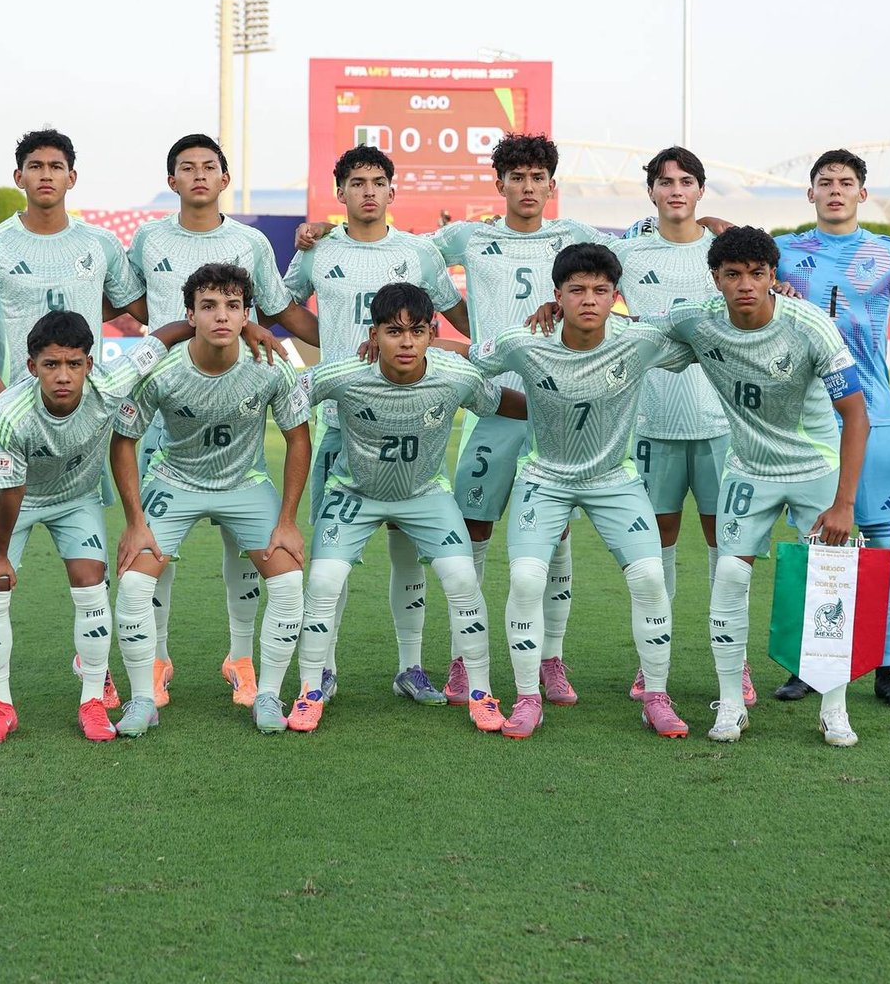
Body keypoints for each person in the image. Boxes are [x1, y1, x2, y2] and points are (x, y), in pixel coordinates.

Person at [647, 226, 869, 747]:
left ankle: (834, 708)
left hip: (814, 469)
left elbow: (855, 416)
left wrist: (844, 503)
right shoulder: (696, 319)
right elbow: (626, 328)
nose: (745, 284)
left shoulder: (810, 325)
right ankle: (729, 703)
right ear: (716, 279)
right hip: (748, 468)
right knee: (728, 574)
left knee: (831, 582)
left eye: (756, 273)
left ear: (774, 276)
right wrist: (554, 305)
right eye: (733, 274)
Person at [465, 243, 694, 739]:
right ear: (557, 295)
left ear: (616, 296)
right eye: (577, 290)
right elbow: (465, 358)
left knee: (652, 579)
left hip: (613, 480)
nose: (589, 299)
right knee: (526, 581)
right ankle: (528, 698)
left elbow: (704, 334)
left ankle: (656, 695)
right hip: (544, 478)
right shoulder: (525, 341)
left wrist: (778, 296)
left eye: (600, 290)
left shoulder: (639, 340)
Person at [125, 133, 320, 712]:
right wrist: (172, 335)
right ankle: (155, 660)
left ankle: (241, 660)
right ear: (173, 181)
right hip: (167, 400)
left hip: (234, 401)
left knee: (245, 544)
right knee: (156, 555)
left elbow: (279, 310)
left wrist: (346, 341)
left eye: (210, 166)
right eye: (188, 168)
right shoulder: (148, 237)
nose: (200, 176)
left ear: (225, 178)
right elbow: (132, 301)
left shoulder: (250, 241)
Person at [0, 126, 143, 714]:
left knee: (87, 567)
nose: (44, 174)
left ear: (71, 177)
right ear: (19, 177)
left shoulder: (100, 244)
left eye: (55, 165)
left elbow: (131, 304)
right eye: (33, 165)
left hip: (78, 418)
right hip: (16, 421)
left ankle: (93, 667)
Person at [286, 282, 524, 734]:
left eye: (417, 331)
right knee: (323, 580)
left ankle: (480, 693)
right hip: (354, 492)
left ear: (433, 333)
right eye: (394, 332)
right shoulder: (342, 374)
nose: (407, 342)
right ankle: (310, 690)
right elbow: (286, 393)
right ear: (373, 335)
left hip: (424, 494)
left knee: (462, 579)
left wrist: (554, 409)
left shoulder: (458, 376)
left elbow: (502, 403)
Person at [286, 145, 471, 705]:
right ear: (340, 191)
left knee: (408, 549)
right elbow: (280, 304)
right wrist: (335, 343)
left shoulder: (417, 251)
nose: (368, 191)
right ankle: (326, 669)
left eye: (378, 182)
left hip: (412, 419)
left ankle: (410, 667)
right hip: (340, 421)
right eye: (356, 182)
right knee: (330, 556)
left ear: (393, 191)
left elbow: (454, 313)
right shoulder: (319, 251)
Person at [773, 150, 890, 709]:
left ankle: (886, 666)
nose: (836, 191)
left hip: (872, 413)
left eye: (846, 183)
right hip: (805, 418)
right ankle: (807, 664)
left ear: (862, 194)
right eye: (825, 182)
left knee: (880, 542)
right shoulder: (783, 253)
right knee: (815, 539)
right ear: (811, 193)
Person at [0, 309, 189, 743]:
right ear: (32, 368)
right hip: (13, 498)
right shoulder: (9, 413)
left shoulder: (109, 386)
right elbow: (11, 490)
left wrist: (237, 325)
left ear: (91, 363)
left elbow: (161, 338)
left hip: (75, 499)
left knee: (91, 580)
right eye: (51, 365)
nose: (63, 375)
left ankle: (91, 700)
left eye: (74, 363)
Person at [109, 263, 310, 736]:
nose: (221, 315)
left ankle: (267, 696)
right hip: (174, 479)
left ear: (247, 316)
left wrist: (287, 520)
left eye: (233, 306)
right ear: (190, 315)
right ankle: (142, 700)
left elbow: (299, 439)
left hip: (244, 483)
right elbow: (123, 440)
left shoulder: (269, 366)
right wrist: (135, 520)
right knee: (135, 585)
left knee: (287, 582)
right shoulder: (161, 370)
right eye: (209, 306)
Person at [608, 148, 748, 704]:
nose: (675, 191)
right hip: (651, 423)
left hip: (718, 423)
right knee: (656, 550)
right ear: (651, 192)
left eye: (685, 181)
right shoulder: (627, 252)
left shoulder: (722, 253)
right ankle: (652, 662)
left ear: (699, 190)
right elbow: (582, 284)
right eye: (664, 182)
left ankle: (732, 668)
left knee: (726, 549)